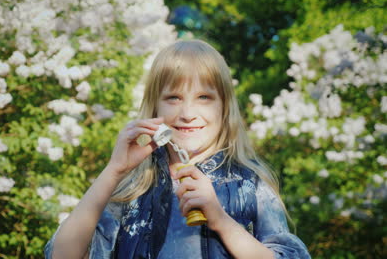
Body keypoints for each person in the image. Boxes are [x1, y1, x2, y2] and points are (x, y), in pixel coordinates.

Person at [45, 40, 311, 258]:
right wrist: (114, 171)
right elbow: (62, 255)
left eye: (204, 97)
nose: (187, 114)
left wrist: (220, 220)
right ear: (155, 108)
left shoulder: (249, 184)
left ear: (224, 108)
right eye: (173, 98)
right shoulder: (131, 187)